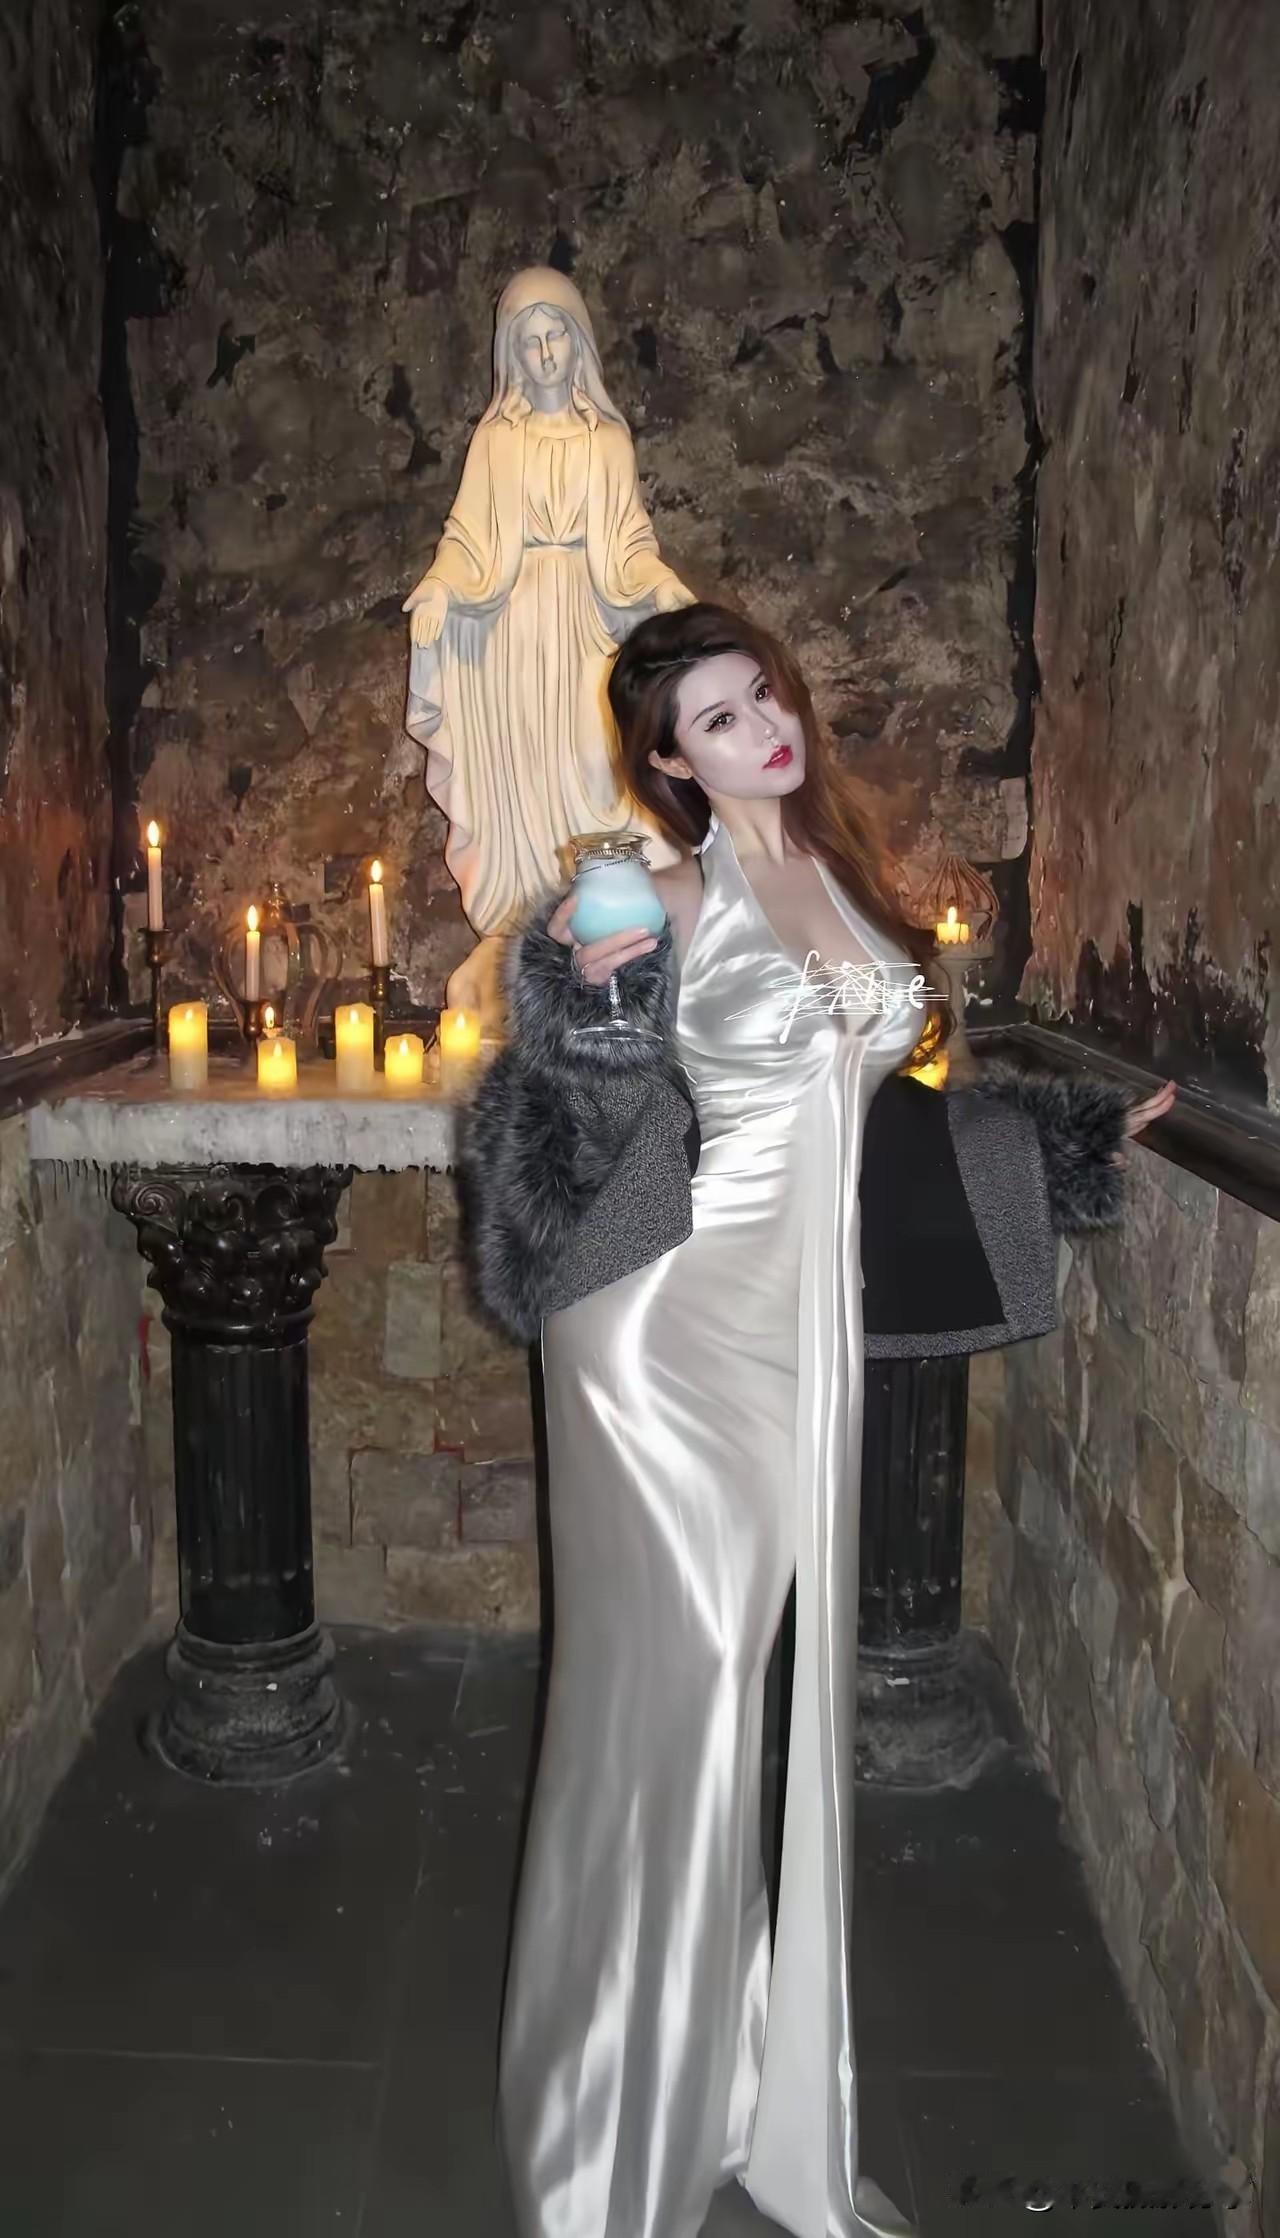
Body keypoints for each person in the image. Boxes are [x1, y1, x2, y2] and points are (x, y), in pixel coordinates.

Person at [475, 604, 1175, 2238]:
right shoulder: (663, 892)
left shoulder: (850, 882)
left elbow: (885, 1120)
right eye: (716, 717)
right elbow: (562, 1096)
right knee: (670, 1709)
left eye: (761, 692)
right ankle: (602, 2140)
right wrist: (582, 992)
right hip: (658, 1342)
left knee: (735, 1708)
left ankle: (729, 2083)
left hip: (796, 1337)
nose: (760, 725)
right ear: (670, 761)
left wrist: (1068, 1136)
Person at [401, 265, 692, 1019]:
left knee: (600, 764)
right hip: (510, 635)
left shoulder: (607, 442)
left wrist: (660, 584)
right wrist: (439, 588)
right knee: (522, 777)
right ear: (512, 354)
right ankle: (526, 933)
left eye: (554, 335)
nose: (543, 353)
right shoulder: (497, 441)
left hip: (588, 627)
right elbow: (465, 537)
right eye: (527, 342)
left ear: (578, 341)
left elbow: (629, 543)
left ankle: (609, 920)